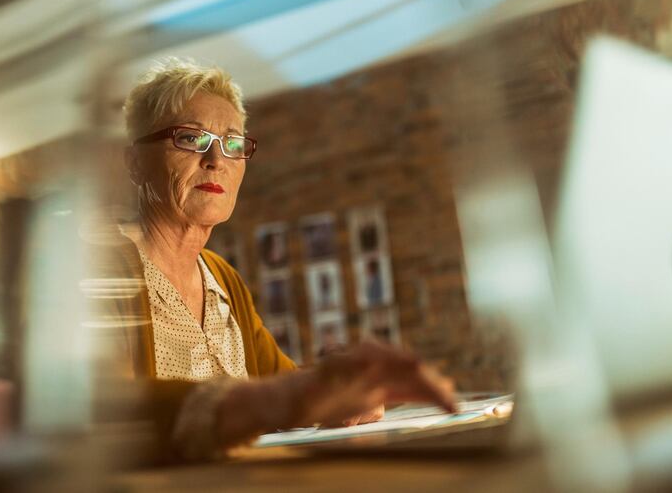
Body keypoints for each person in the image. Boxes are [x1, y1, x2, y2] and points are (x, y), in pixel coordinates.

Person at [87, 58, 455, 461]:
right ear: (135, 162)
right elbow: (106, 409)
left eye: (231, 143)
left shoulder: (222, 278)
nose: (217, 160)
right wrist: (285, 398)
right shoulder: (97, 269)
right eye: (190, 139)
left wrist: (344, 389)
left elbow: (281, 383)